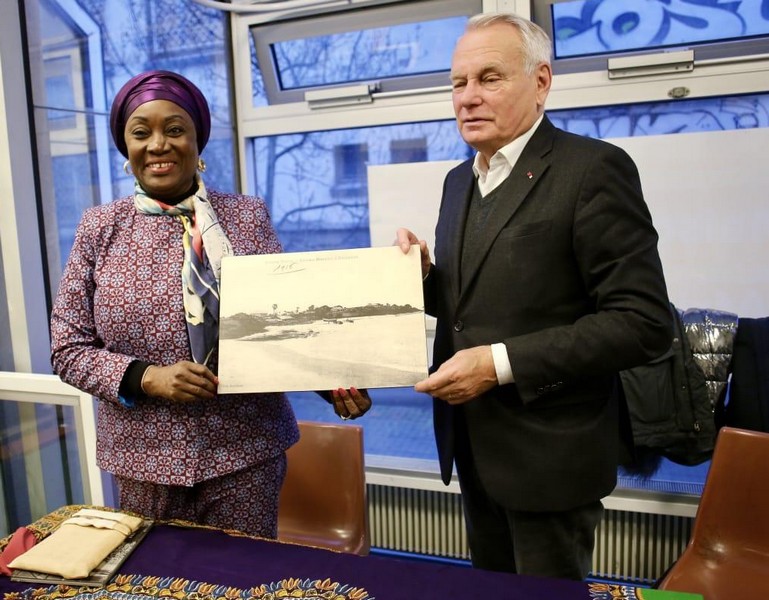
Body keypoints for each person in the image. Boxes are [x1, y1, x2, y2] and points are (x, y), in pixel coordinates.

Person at [396, 14, 672, 580]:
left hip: (552, 457)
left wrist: (498, 364)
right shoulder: (459, 181)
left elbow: (643, 323)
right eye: (458, 82)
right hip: (474, 445)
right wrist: (421, 279)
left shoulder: (593, 170)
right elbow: (470, 306)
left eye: (489, 78)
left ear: (541, 81)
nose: (467, 98)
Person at [50, 70, 371, 537]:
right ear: (126, 147)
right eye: (142, 132)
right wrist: (149, 377)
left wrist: (334, 384)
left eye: (175, 129)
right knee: (160, 585)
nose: (158, 144)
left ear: (197, 140)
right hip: (143, 460)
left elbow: (281, 326)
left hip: (245, 453)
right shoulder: (101, 228)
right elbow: (67, 349)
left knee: (242, 583)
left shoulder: (246, 217)